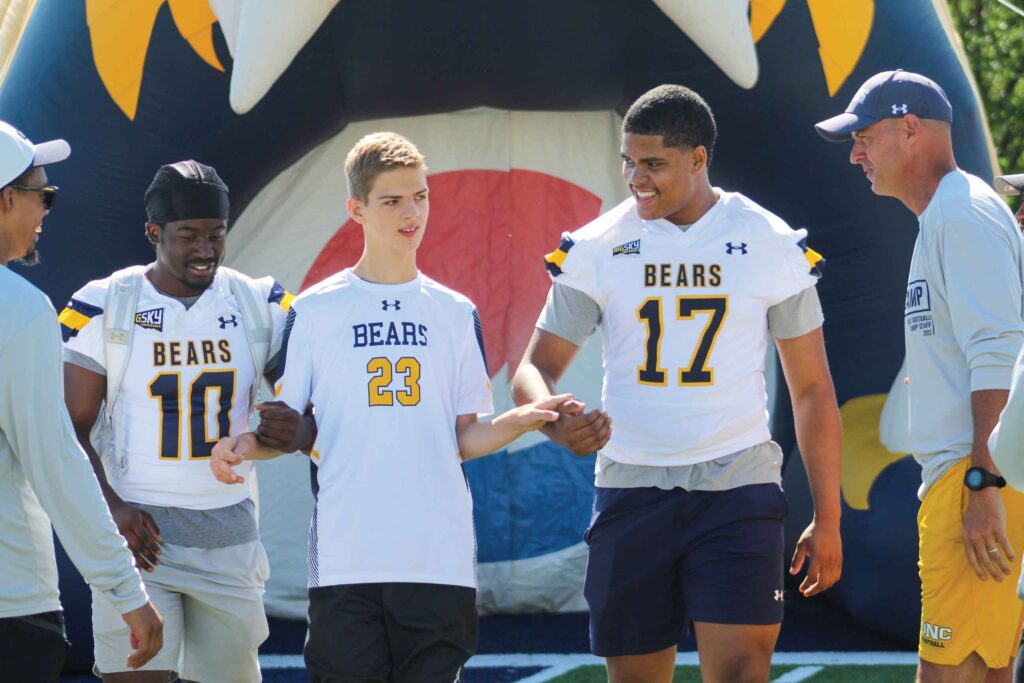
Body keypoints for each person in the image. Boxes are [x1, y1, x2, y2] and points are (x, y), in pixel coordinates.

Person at [210, 132, 574, 683]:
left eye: (420, 197)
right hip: (345, 558)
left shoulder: (455, 313)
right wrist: (242, 446)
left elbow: (463, 440)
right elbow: (291, 430)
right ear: (356, 208)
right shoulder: (314, 310)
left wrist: (521, 420)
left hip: (437, 557)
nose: (412, 213)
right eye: (393, 200)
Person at [511, 84, 844, 683]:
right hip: (632, 485)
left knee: (743, 673)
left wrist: (830, 516)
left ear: (698, 159)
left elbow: (813, 389)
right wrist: (553, 418)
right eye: (629, 162)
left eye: (654, 164)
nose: (636, 178)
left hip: (737, 484)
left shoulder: (769, 241)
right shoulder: (599, 244)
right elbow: (534, 370)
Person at [817, 69, 1024, 683]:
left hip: (973, 477)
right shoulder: (952, 213)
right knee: (987, 672)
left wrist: (984, 484)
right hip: (974, 474)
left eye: (864, 135)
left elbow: (998, 352)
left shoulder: (960, 213)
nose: (855, 153)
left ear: (911, 129)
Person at [61, 160, 302, 682]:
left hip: (228, 529)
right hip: (138, 533)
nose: (205, 250)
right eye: (188, 235)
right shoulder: (106, 304)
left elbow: (301, 413)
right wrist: (114, 508)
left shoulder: (258, 301)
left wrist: (287, 428)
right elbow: (68, 428)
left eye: (216, 235)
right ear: (153, 233)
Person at [0, 120, 163, 681]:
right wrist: (125, 587)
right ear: (5, 199)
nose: (47, 210)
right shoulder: (17, 309)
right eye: (44, 195)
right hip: (9, 606)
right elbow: (57, 463)